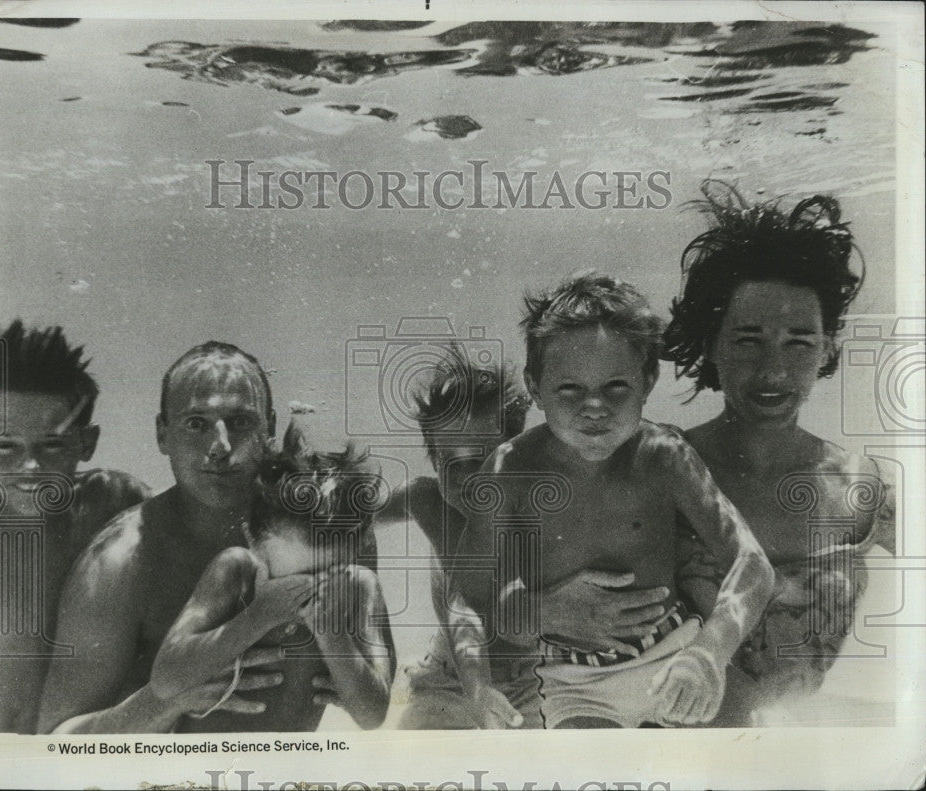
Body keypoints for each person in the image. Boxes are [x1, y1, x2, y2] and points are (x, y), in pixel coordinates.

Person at [453, 271, 775, 728]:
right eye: (570, 389)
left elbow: (753, 565)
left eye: (615, 387)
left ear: (647, 380)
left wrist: (709, 653)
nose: (595, 408)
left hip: (676, 654)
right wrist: (479, 686)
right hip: (576, 685)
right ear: (534, 387)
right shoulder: (509, 473)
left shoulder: (663, 456)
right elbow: (464, 597)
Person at [38, 341, 390, 733]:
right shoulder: (122, 561)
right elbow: (53, 741)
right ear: (162, 435)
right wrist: (159, 704)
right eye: (196, 423)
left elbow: (373, 703)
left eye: (240, 422)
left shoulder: (330, 532)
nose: (220, 446)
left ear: (269, 429)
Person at [663, 183, 896, 725]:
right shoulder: (663, 465)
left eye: (799, 342)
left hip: (795, 754)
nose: (773, 370)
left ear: (828, 350)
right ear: (711, 345)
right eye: (748, 340)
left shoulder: (862, 487)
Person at [0, 320, 150, 733]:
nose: (30, 467)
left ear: (86, 443)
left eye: (53, 445)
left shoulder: (115, 503)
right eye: (6, 446)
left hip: (89, 756)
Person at [149, 421, 393, 730]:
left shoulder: (359, 588)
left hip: (287, 770)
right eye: (299, 577)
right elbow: (165, 681)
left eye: (330, 572)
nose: (313, 588)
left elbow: (372, 717)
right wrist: (258, 617)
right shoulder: (236, 572)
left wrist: (333, 637)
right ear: (253, 542)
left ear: (355, 548)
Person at [372, 348, 541, 728]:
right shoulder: (425, 499)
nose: (469, 478)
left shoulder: (533, 513)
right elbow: (350, 512)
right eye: (452, 463)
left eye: (483, 460)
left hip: (532, 674)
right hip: (448, 674)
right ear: (433, 461)